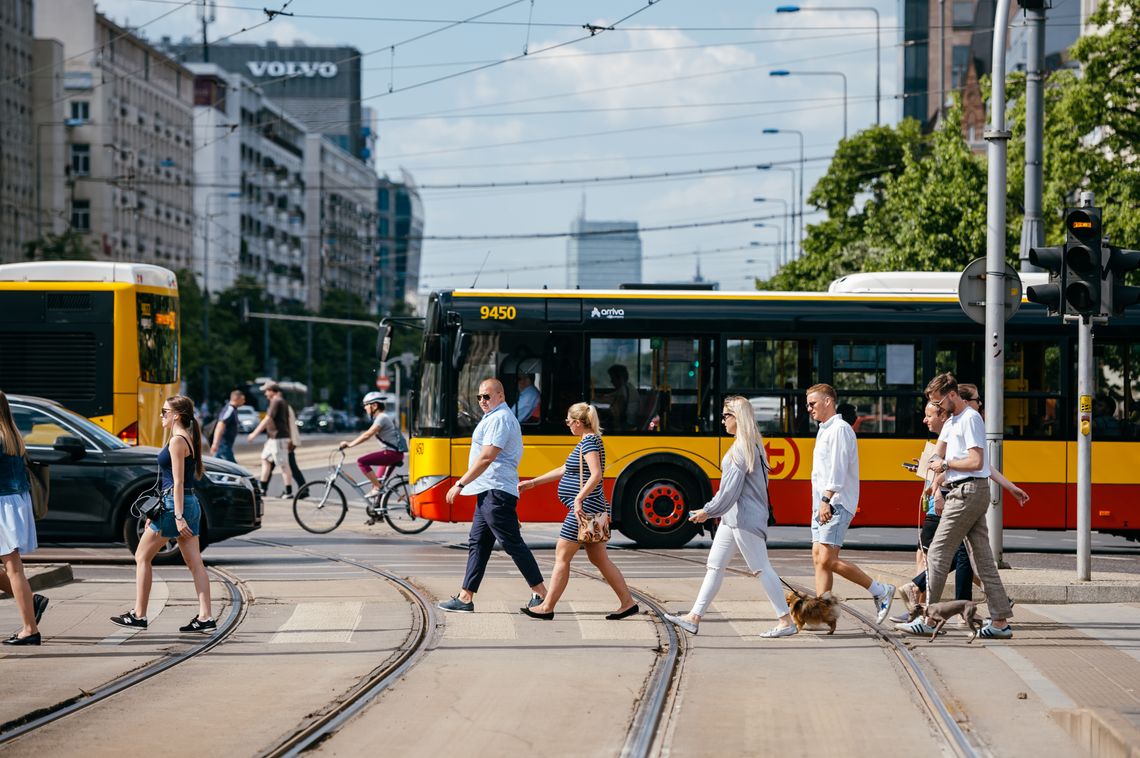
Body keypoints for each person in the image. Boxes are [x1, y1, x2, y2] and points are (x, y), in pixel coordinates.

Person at [663, 395, 797, 638]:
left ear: (739, 418)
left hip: (744, 518)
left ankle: (786, 621)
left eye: (726, 416)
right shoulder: (750, 444)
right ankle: (694, 617)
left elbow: (730, 492)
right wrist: (714, 511)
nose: (722, 420)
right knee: (714, 566)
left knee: (761, 568)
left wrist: (707, 511)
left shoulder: (741, 450)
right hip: (732, 519)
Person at [900, 373, 1015, 640]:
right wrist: (936, 470)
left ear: (953, 395)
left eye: (939, 403)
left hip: (967, 490)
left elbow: (977, 461)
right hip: (960, 490)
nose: (937, 409)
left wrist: (947, 465)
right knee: (984, 560)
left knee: (939, 552)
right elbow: (938, 453)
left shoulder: (971, 419)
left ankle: (929, 618)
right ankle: (1000, 622)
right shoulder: (953, 421)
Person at [517, 402, 637, 620]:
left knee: (562, 554)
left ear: (579, 422)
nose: (567, 425)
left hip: (586, 508)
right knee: (600, 559)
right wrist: (534, 483)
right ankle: (627, 602)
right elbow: (565, 469)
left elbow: (596, 474)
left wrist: (579, 499)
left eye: (569, 421)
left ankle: (547, 607)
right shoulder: (586, 441)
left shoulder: (589, 442)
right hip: (593, 507)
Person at [438, 379, 548, 613]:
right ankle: (465, 597)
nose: (482, 401)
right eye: (479, 397)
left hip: (496, 491)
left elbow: (487, 457)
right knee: (478, 543)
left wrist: (460, 483)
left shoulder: (500, 419)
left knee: (512, 543)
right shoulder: (494, 417)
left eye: (487, 396)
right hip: (487, 490)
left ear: (501, 395)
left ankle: (542, 594)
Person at [111, 395, 215, 633]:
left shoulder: (178, 441)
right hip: (185, 503)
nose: (161, 415)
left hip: (175, 506)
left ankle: (139, 614)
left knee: (141, 556)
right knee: (194, 562)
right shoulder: (184, 438)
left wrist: (177, 517)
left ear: (176, 415)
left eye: (164, 411)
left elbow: (177, 483)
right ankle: (206, 616)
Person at [805, 383, 895, 625]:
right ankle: (823, 614)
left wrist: (826, 500)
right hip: (822, 503)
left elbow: (838, 468)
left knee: (828, 560)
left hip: (835, 502)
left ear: (827, 401)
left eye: (812, 403)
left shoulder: (840, 429)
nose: (808, 408)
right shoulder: (825, 429)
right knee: (818, 556)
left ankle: (880, 590)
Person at [0, 390, 46, 645]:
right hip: (13, 502)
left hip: (2, 505)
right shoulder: (12, 436)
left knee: (13, 568)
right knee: (13, 567)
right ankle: (31, 603)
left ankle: (30, 628)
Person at [339, 392, 404, 497]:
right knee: (377, 483)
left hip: (392, 454)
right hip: (393, 454)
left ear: (374, 405)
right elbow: (367, 433)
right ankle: (378, 506)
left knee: (361, 462)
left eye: (366, 404)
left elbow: (368, 435)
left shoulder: (382, 417)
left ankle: (378, 488)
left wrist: (350, 444)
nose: (365, 408)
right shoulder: (381, 418)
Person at [247, 382, 294, 498]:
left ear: (272, 391)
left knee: (283, 464)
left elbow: (268, 419)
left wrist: (254, 433)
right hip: (274, 438)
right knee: (265, 459)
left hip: (278, 437)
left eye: (267, 391)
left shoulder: (276, 401)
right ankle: (263, 488)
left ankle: (289, 492)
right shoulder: (280, 401)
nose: (265, 393)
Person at [209, 389, 245, 463]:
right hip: (223, 444)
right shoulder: (229, 409)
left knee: (219, 467)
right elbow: (220, 425)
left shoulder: (233, 409)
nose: (244, 401)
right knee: (233, 468)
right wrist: (215, 444)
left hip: (225, 445)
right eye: (243, 399)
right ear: (237, 398)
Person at [606, 364, 640, 431]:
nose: (611, 381)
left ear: (620, 378)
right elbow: (609, 396)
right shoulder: (627, 387)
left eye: (613, 378)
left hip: (626, 425)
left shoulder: (625, 390)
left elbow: (617, 412)